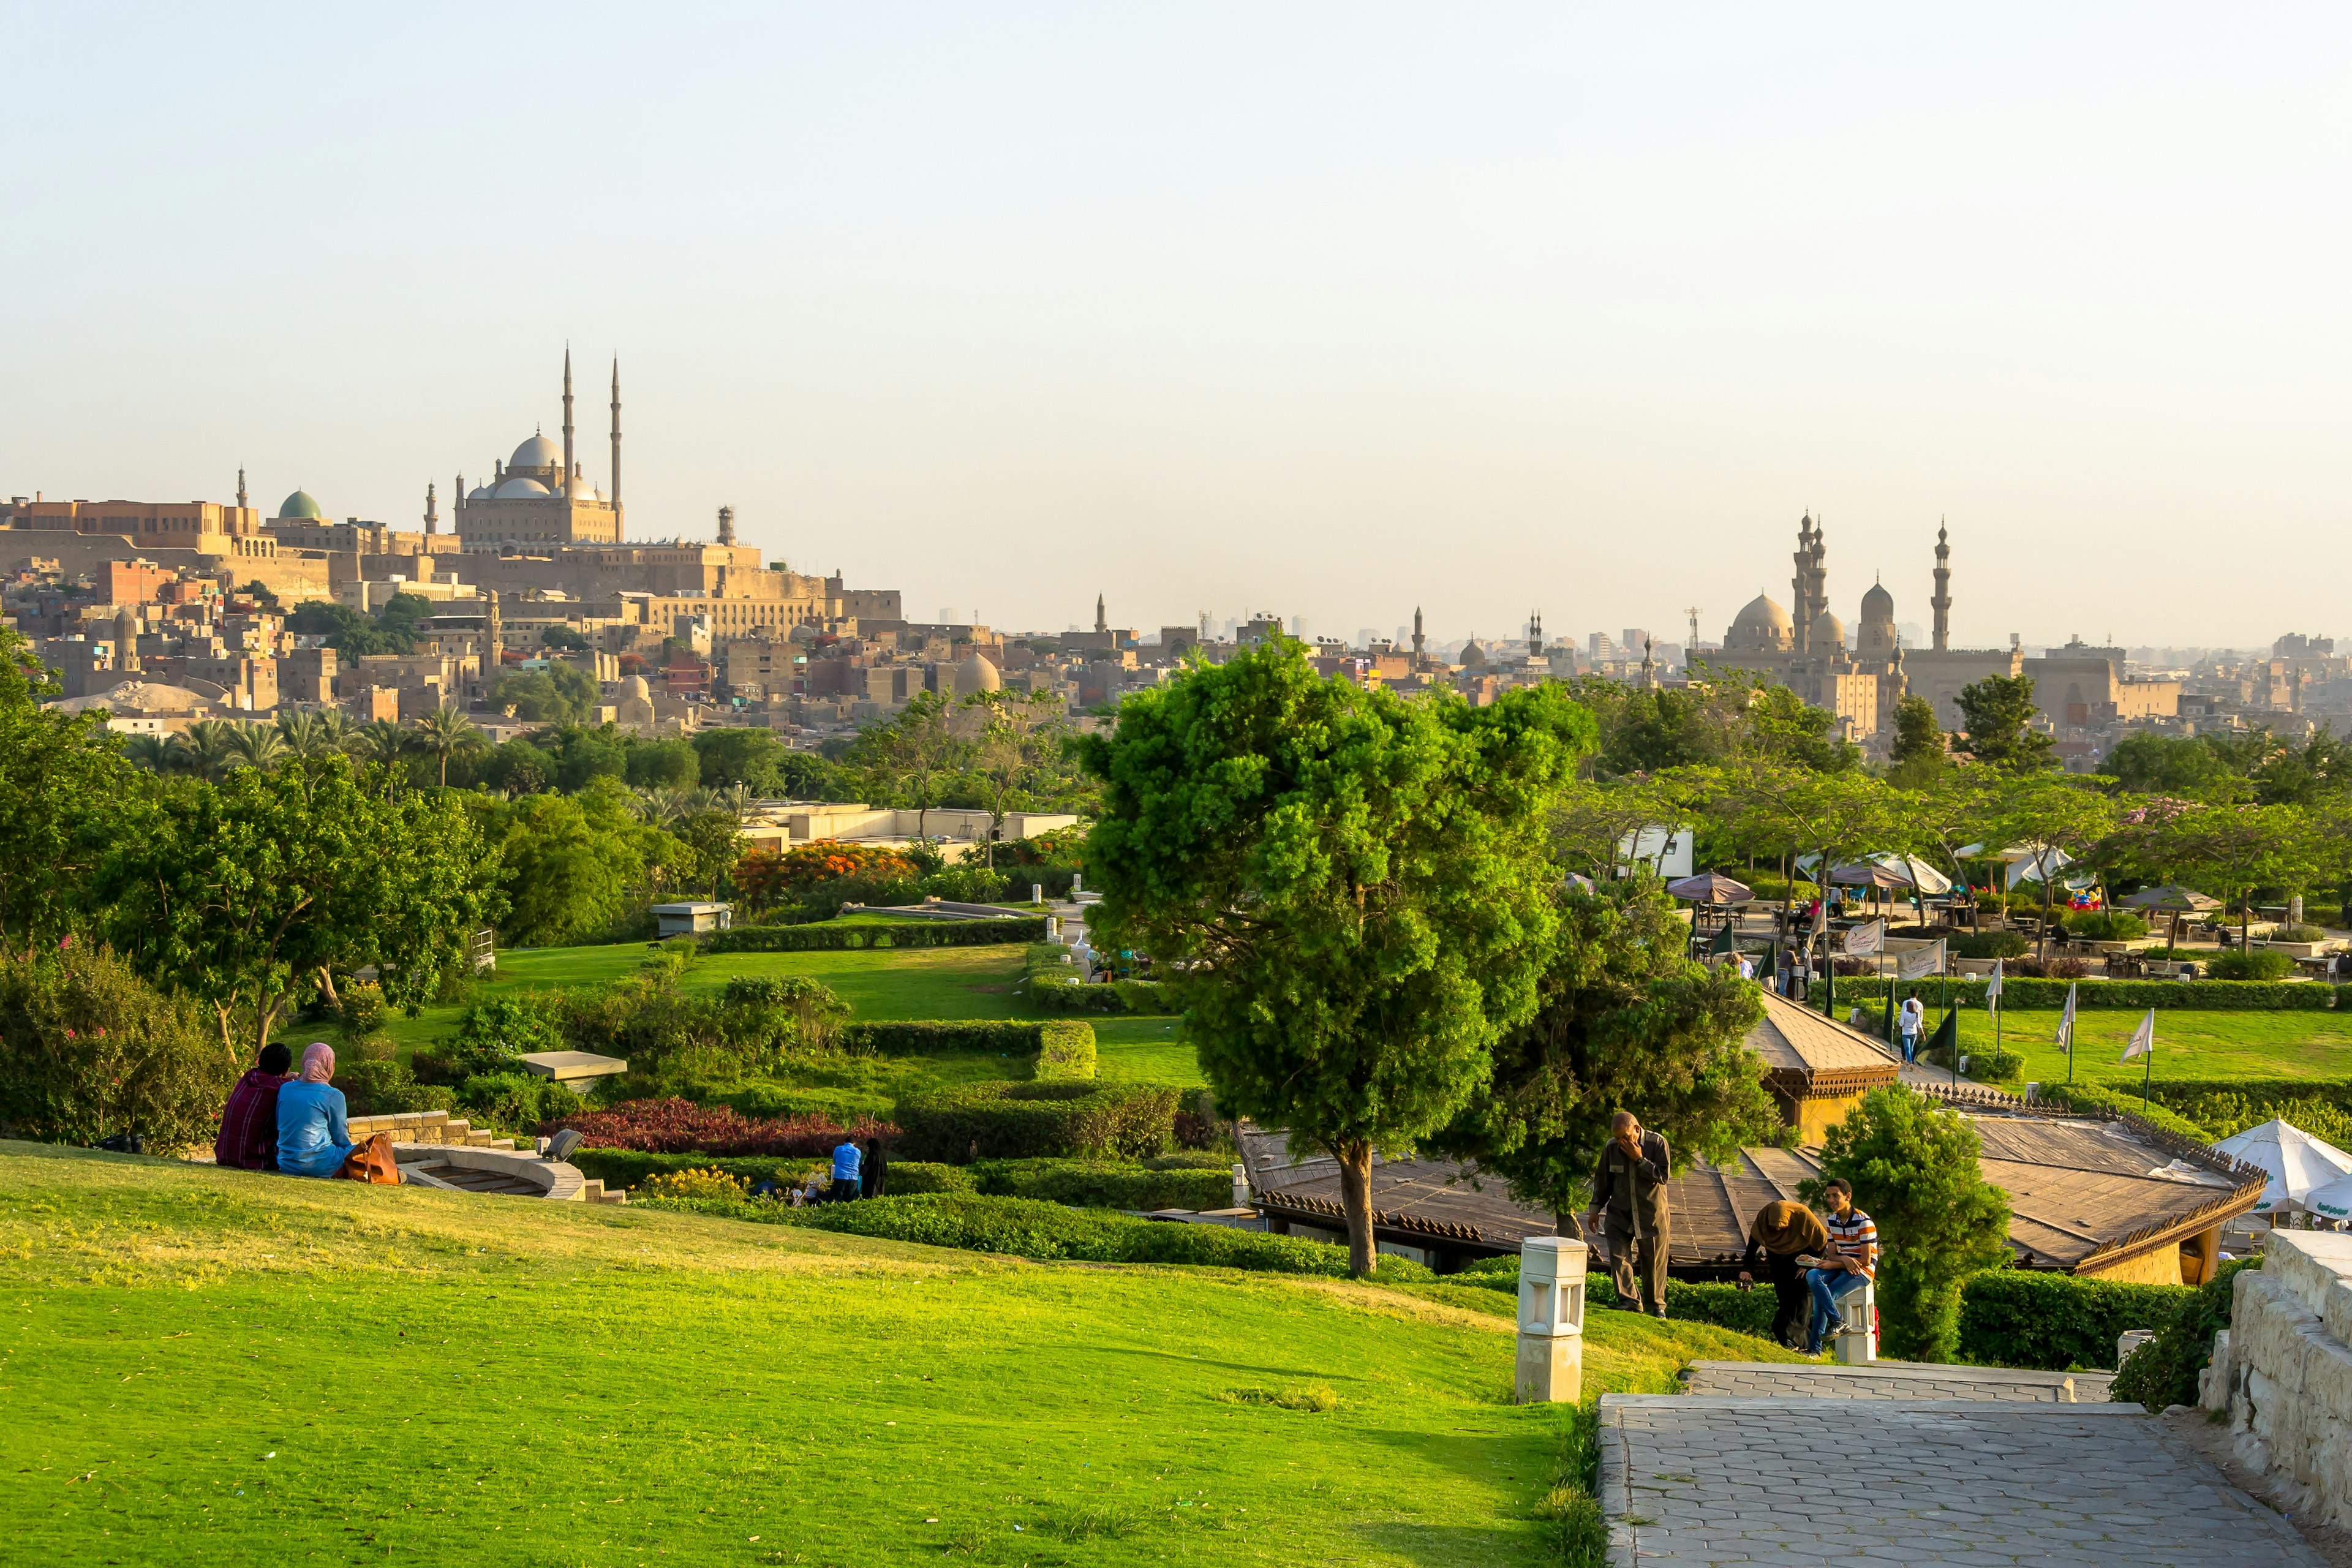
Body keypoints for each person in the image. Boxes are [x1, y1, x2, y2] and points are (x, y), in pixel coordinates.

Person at [1588, 1111, 1672, 1317]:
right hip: (1620, 1213)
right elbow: (1603, 1181)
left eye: (1625, 1137)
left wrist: (1640, 1159)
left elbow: (1663, 1176)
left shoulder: (1658, 1143)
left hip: (1651, 1214)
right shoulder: (1610, 1148)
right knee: (1618, 1256)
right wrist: (1594, 1209)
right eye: (1617, 1138)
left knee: (1653, 1261)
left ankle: (1656, 1306)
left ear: (1637, 1129)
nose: (1621, 1142)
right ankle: (1629, 1301)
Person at [275, 1042, 396, 1181]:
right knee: (371, 1151)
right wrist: (351, 1154)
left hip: (287, 1163)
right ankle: (386, 1173)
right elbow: (340, 1138)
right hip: (319, 1163)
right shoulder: (333, 1095)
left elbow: (281, 1124)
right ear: (329, 1064)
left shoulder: (286, 1089)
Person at [1738, 1198, 1831, 1350]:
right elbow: (1752, 1246)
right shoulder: (1763, 1219)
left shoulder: (1803, 1215)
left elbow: (1822, 1244)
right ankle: (1800, 1345)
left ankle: (1794, 1340)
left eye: (1782, 1228)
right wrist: (1747, 1269)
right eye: (1774, 1228)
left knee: (1803, 1303)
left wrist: (1807, 1265)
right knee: (1786, 1301)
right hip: (1778, 1262)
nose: (1778, 1232)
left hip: (1803, 1261)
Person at [1805, 1178, 1877, 1355]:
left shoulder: (1863, 1222)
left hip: (1862, 1272)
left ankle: (1815, 1350)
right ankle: (1838, 1322)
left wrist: (1841, 1261)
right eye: (1828, 1196)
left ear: (1848, 1196)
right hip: (1841, 1265)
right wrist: (1844, 1259)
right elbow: (1832, 1254)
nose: (1831, 1200)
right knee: (1813, 1275)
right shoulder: (1831, 1221)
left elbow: (1866, 1260)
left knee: (1821, 1298)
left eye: (1836, 1196)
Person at [215, 1041, 293, 1170]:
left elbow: (270, 1080)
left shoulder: (248, 1077)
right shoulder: (281, 1089)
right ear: (286, 1070)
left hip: (225, 1157)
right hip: (256, 1162)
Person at [829, 1136, 862, 1204]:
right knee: (849, 1202)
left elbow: (835, 1161)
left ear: (844, 1142)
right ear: (854, 1143)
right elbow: (860, 1165)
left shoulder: (838, 1149)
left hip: (840, 1177)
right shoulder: (858, 1152)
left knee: (836, 1200)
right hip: (853, 1178)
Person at [859, 1136, 889, 1200]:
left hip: (871, 1180)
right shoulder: (882, 1155)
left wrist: (859, 1173)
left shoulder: (872, 1155)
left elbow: (866, 1169)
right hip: (880, 1180)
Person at [1898, 996, 1926, 1063]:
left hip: (1906, 1033)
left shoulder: (1904, 1014)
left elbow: (1901, 1024)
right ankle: (1911, 1061)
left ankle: (1910, 1062)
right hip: (1914, 1033)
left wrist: (1903, 1023)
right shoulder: (1916, 1014)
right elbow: (1919, 1024)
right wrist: (1923, 1034)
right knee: (1912, 1048)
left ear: (1907, 1007)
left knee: (1907, 1048)